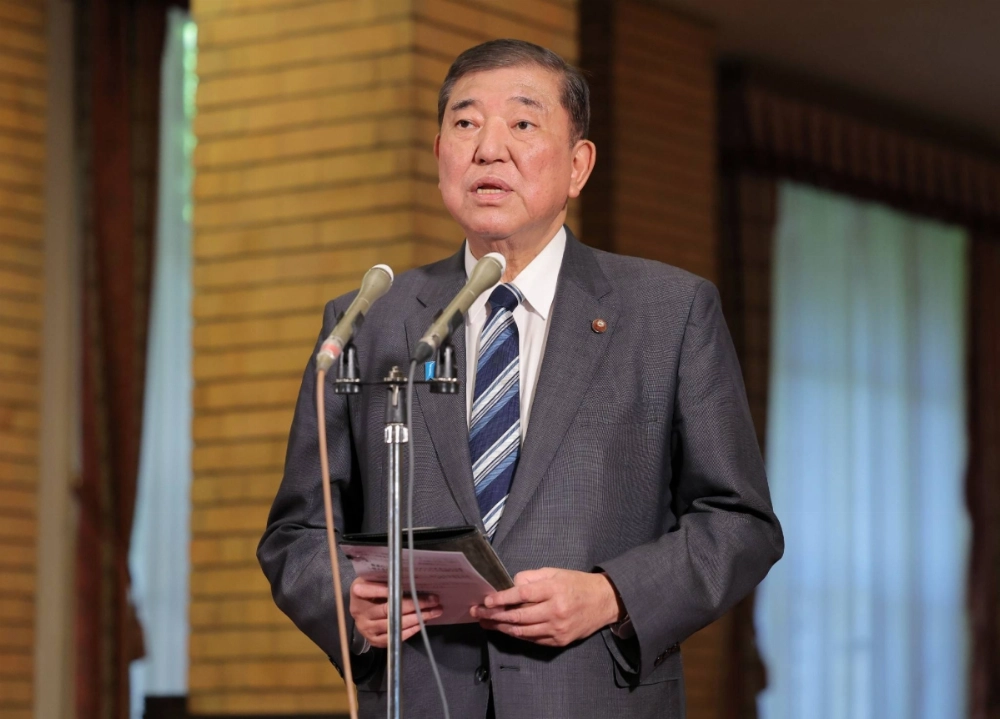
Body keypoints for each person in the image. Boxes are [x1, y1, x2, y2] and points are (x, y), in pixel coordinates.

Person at [258, 39, 783, 719]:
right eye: (466, 122)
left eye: (523, 123)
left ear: (578, 165)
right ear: (440, 151)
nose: (488, 148)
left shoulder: (668, 314)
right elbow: (297, 530)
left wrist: (612, 595)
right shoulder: (370, 321)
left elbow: (740, 523)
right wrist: (343, 599)